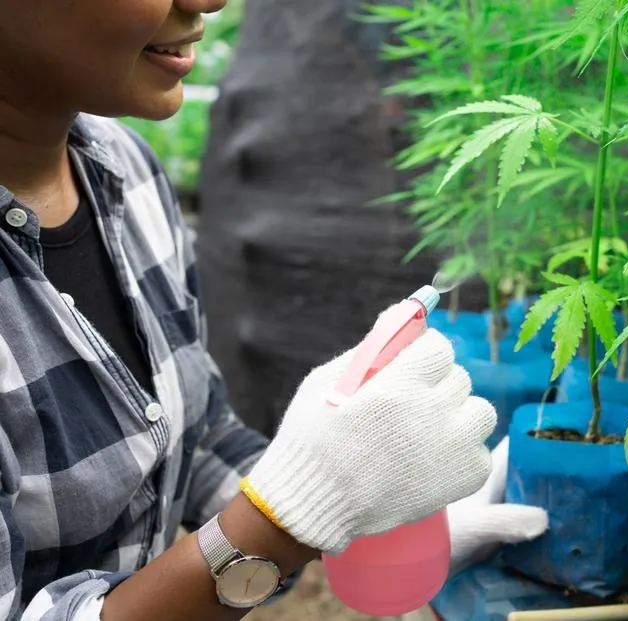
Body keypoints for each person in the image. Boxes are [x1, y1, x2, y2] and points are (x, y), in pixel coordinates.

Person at [0, 0, 547, 619]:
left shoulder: (122, 169)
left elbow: (195, 437)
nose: (208, 1)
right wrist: (281, 524)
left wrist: (363, 518)